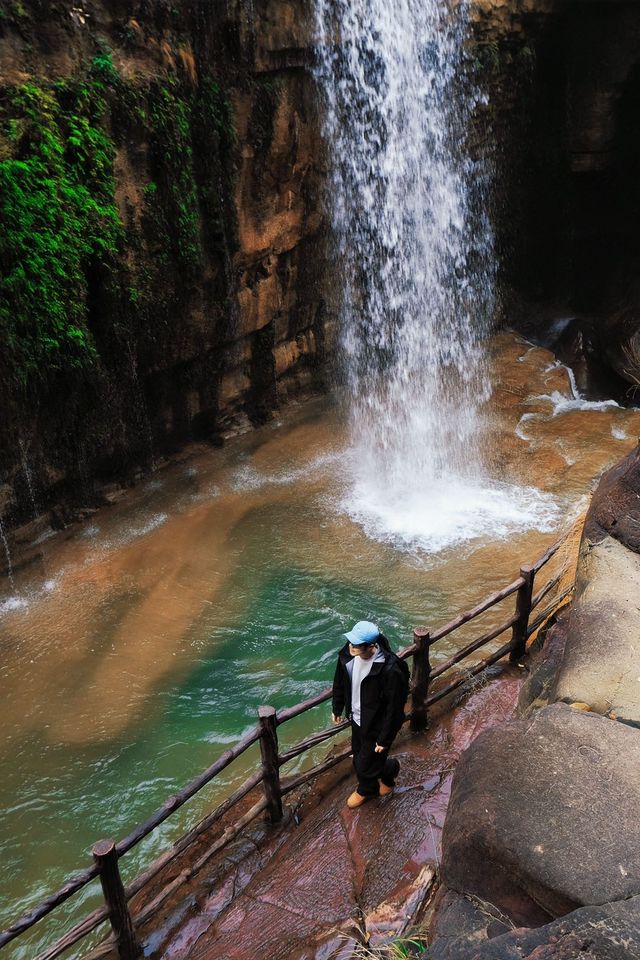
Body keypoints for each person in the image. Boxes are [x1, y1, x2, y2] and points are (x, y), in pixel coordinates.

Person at [332, 620, 409, 809]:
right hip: (357, 718)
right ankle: (389, 771)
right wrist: (337, 707)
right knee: (359, 755)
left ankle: (367, 789)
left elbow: (395, 709)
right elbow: (340, 681)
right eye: (351, 642)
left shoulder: (390, 669)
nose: (352, 646)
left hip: (377, 723)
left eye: (357, 644)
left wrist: (385, 738)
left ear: (372, 645)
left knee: (364, 764)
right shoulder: (347, 655)